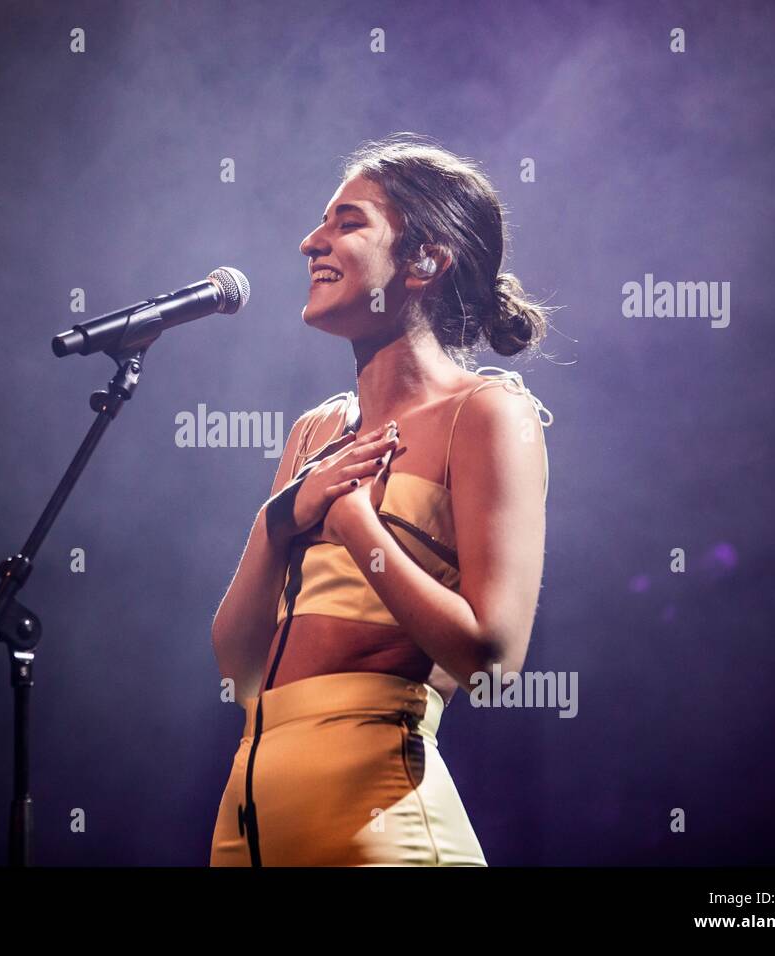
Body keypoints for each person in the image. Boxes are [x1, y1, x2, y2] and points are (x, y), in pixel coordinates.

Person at [209, 133, 555, 866]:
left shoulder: (487, 413)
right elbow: (238, 670)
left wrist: (356, 522)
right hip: (250, 813)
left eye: (347, 221)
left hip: (380, 816)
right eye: (320, 223)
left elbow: (492, 663)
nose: (311, 242)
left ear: (426, 260)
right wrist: (277, 524)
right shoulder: (314, 431)